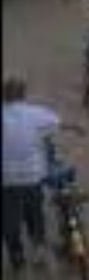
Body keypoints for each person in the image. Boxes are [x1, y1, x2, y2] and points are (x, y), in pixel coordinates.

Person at [2, 78, 67, 272]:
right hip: (33, 177)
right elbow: (58, 123)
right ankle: (38, 248)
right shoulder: (36, 112)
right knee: (35, 213)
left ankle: (17, 256)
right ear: (23, 94)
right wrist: (76, 127)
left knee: (9, 219)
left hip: (6, 180)